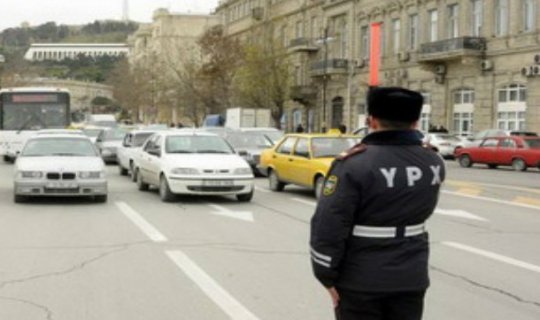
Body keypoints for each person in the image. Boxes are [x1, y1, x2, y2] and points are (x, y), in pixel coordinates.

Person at [310, 87, 445, 320]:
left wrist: (325, 274)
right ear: (415, 122)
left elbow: (329, 223)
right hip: (411, 276)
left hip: (360, 279)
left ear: (371, 121)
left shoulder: (354, 163)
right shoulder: (432, 160)